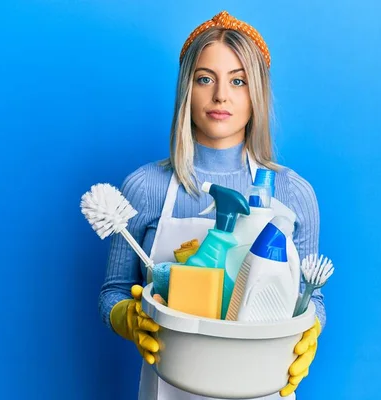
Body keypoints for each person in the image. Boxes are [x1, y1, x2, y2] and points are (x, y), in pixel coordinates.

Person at [99, 10, 326, 400]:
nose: (221, 95)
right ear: (188, 89)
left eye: (238, 81)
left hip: (263, 386)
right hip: (170, 385)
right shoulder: (146, 187)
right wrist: (128, 319)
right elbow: (114, 291)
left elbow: (312, 296)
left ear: (256, 92)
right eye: (206, 79)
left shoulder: (293, 193)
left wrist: (310, 331)